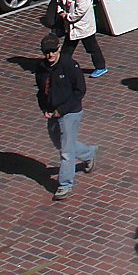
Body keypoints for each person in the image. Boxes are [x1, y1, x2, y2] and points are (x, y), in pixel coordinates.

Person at [37, 33, 96, 200]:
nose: (50, 55)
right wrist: (45, 108)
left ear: (59, 49)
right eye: (46, 52)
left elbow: (80, 91)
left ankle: (65, 184)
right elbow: (41, 91)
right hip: (53, 112)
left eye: (53, 51)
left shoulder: (70, 65)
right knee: (60, 143)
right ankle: (89, 153)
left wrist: (61, 110)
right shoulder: (41, 68)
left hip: (70, 112)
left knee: (66, 151)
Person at [55, 0, 107, 76]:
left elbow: (81, 10)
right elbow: (60, 1)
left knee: (92, 48)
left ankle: (100, 67)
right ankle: (61, 67)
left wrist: (68, 17)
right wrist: (60, 11)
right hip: (72, 27)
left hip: (83, 26)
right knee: (66, 50)